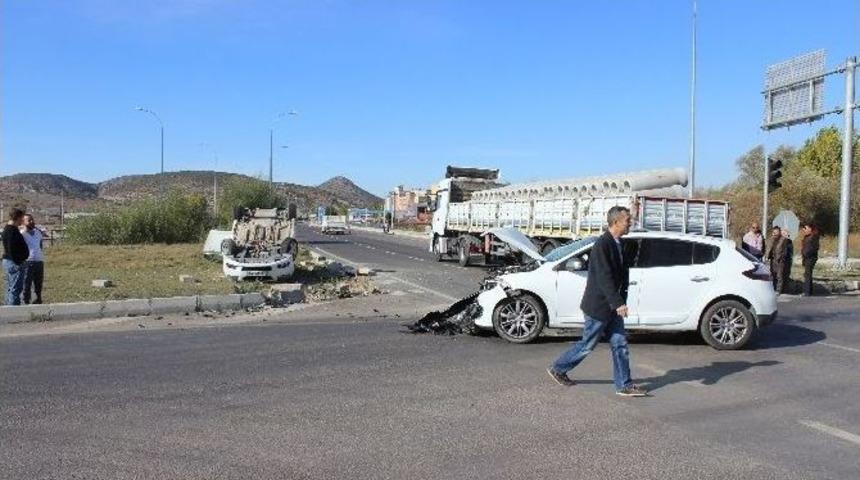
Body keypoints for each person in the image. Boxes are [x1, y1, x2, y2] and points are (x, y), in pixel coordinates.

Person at [546, 206, 647, 397]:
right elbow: (604, 277)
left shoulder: (618, 243)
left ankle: (624, 385)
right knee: (587, 345)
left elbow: (620, 273)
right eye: (628, 221)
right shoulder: (603, 245)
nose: (630, 224)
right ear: (616, 222)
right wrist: (618, 303)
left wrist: (618, 301)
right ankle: (558, 368)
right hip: (599, 306)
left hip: (612, 307)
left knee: (620, 344)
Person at [2, 208, 29, 305]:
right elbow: (11, 249)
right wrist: (19, 262)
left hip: (11, 261)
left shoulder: (12, 229)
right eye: (22, 218)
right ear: (17, 217)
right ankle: (14, 309)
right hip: (14, 262)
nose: (22, 220)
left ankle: (9, 307)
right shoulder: (10, 231)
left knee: (11, 287)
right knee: (15, 289)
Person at [20, 214, 45, 304]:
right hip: (28, 262)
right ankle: (26, 301)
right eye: (29, 220)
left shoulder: (38, 233)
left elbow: (40, 245)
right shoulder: (22, 234)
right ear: (23, 222)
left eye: (32, 220)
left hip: (39, 261)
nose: (32, 222)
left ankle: (38, 300)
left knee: (38, 283)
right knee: (26, 284)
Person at [800, 223, 820, 296]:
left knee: (807, 275)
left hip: (810, 258)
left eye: (805, 228)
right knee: (808, 274)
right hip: (806, 258)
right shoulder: (807, 237)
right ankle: (809, 291)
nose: (804, 230)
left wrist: (806, 253)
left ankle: (807, 292)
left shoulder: (814, 237)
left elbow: (814, 248)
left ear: (810, 229)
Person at [764, 226, 786, 293]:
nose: (775, 234)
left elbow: (785, 251)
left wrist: (781, 258)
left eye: (776, 232)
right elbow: (768, 248)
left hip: (780, 260)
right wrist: (767, 256)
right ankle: (773, 288)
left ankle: (779, 290)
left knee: (779, 275)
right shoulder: (771, 239)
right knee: (773, 274)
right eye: (774, 232)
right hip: (772, 259)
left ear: (779, 232)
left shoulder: (784, 240)